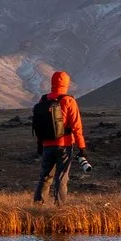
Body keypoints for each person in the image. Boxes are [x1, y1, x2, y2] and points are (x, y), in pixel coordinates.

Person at [30, 69, 86, 202]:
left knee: (45, 176)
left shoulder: (43, 100)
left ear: (52, 82)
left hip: (46, 145)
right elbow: (76, 127)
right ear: (66, 83)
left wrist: (40, 143)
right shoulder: (68, 101)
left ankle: (38, 205)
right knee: (61, 178)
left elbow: (39, 124)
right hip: (64, 146)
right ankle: (59, 208)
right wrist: (82, 148)